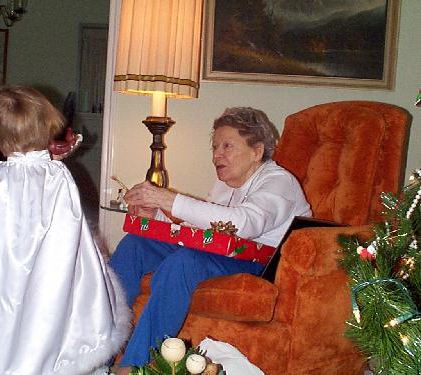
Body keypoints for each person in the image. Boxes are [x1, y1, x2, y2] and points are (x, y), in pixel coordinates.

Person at [0, 85, 131, 374]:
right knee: (43, 317)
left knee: (0, 317)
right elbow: (71, 226)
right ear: (46, 126)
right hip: (48, 274)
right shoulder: (59, 176)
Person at [109, 107, 312, 373]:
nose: (217, 154)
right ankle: (99, 347)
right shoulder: (226, 186)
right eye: (215, 147)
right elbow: (198, 229)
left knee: (184, 262)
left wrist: (166, 198)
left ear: (257, 151)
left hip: (260, 266)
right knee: (136, 245)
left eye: (227, 146)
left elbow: (242, 224)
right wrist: (156, 214)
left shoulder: (280, 182)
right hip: (221, 255)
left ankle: (133, 365)